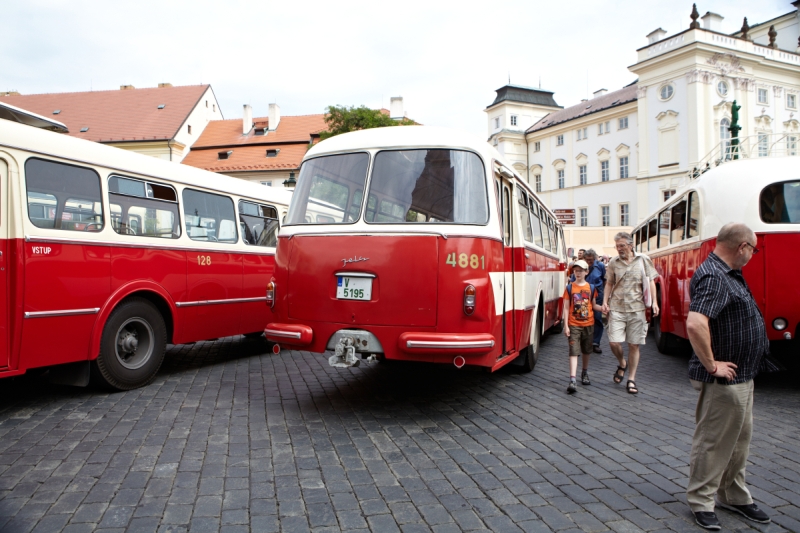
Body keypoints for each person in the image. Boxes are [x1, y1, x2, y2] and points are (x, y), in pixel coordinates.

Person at [685, 223, 776, 530]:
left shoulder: (727, 273)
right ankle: (701, 500)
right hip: (724, 379)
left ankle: (734, 495)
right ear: (742, 247)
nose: (752, 255)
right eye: (753, 249)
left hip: (743, 375)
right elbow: (696, 324)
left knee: (738, 441)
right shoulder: (715, 276)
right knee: (713, 441)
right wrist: (712, 366)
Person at [601, 232, 659, 394]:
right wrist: (605, 301)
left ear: (631, 245)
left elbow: (651, 281)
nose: (619, 249)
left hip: (637, 309)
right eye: (617, 246)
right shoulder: (614, 262)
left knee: (634, 345)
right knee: (614, 342)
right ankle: (622, 362)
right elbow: (609, 283)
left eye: (622, 246)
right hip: (617, 307)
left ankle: (631, 379)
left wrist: (654, 302)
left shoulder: (643, 260)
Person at [562, 260, 602, 394]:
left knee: (586, 350)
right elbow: (566, 308)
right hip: (574, 324)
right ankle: (572, 379)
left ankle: (584, 372)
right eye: (575, 270)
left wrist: (603, 309)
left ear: (586, 272)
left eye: (580, 270)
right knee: (573, 351)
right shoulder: (569, 288)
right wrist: (566, 325)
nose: (578, 273)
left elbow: (593, 305)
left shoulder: (591, 288)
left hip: (589, 324)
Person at [572, 249, 606, 354]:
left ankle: (595, 343)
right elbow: (574, 280)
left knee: (597, 318)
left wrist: (603, 296)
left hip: (597, 296)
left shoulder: (600, 266)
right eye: (588, 260)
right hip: (583, 296)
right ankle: (583, 342)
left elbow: (604, 281)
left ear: (594, 258)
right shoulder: (580, 267)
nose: (590, 262)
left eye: (591, 260)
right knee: (582, 318)